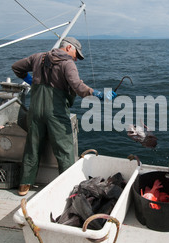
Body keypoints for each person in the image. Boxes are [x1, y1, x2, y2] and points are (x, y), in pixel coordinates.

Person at [12, 37, 116, 196]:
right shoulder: (68, 64)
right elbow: (78, 87)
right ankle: (69, 188)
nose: (76, 58)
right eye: (76, 54)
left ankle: (24, 184)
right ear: (68, 48)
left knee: (32, 146)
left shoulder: (37, 57)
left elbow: (16, 67)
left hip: (35, 111)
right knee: (64, 150)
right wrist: (99, 94)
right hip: (56, 113)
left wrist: (30, 79)